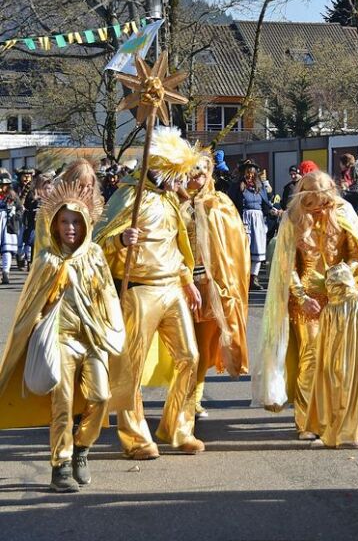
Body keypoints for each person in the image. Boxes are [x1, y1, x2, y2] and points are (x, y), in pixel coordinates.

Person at [0, 180, 125, 492]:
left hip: (93, 338)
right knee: (63, 405)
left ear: (86, 225)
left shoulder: (94, 255)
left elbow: (108, 295)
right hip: (60, 340)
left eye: (77, 222)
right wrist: (37, 329)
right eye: (65, 221)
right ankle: (61, 465)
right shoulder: (46, 260)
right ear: (55, 225)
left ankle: (82, 448)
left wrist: (110, 328)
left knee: (101, 397)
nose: (71, 227)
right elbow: (30, 307)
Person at [255, 171, 358, 447]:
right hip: (305, 299)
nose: (321, 208)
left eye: (324, 200)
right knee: (312, 358)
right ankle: (307, 421)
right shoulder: (293, 218)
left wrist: (346, 271)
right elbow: (285, 265)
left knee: (340, 361)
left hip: (339, 299)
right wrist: (301, 295)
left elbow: (357, 253)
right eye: (314, 203)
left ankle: (341, 419)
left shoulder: (343, 212)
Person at [95, 126, 205, 459]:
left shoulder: (171, 199)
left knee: (190, 358)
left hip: (172, 287)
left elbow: (176, 245)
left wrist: (187, 281)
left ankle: (178, 428)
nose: (181, 181)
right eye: (177, 174)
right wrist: (118, 240)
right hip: (139, 292)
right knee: (132, 367)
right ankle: (136, 439)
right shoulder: (130, 196)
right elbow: (97, 240)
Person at [184, 152, 250, 417]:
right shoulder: (170, 202)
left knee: (200, 346)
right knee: (181, 346)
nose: (197, 178)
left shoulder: (219, 203)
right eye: (192, 172)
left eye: (202, 172)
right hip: (174, 283)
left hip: (208, 284)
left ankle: (193, 397)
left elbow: (235, 243)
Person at [234, 159, 280, 291]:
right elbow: (231, 203)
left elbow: (266, 204)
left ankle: (253, 278)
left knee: (258, 250)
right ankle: (242, 278)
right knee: (244, 251)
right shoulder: (237, 186)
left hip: (258, 220)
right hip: (244, 220)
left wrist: (274, 211)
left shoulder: (259, 187)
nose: (250, 176)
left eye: (252, 173)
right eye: (247, 173)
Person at [0, 170, 24, 284]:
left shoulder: (13, 196)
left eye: (4, 185)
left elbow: (20, 209)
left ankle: (6, 272)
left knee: (7, 250)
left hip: (8, 225)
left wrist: (15, 214)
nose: (2, 188)